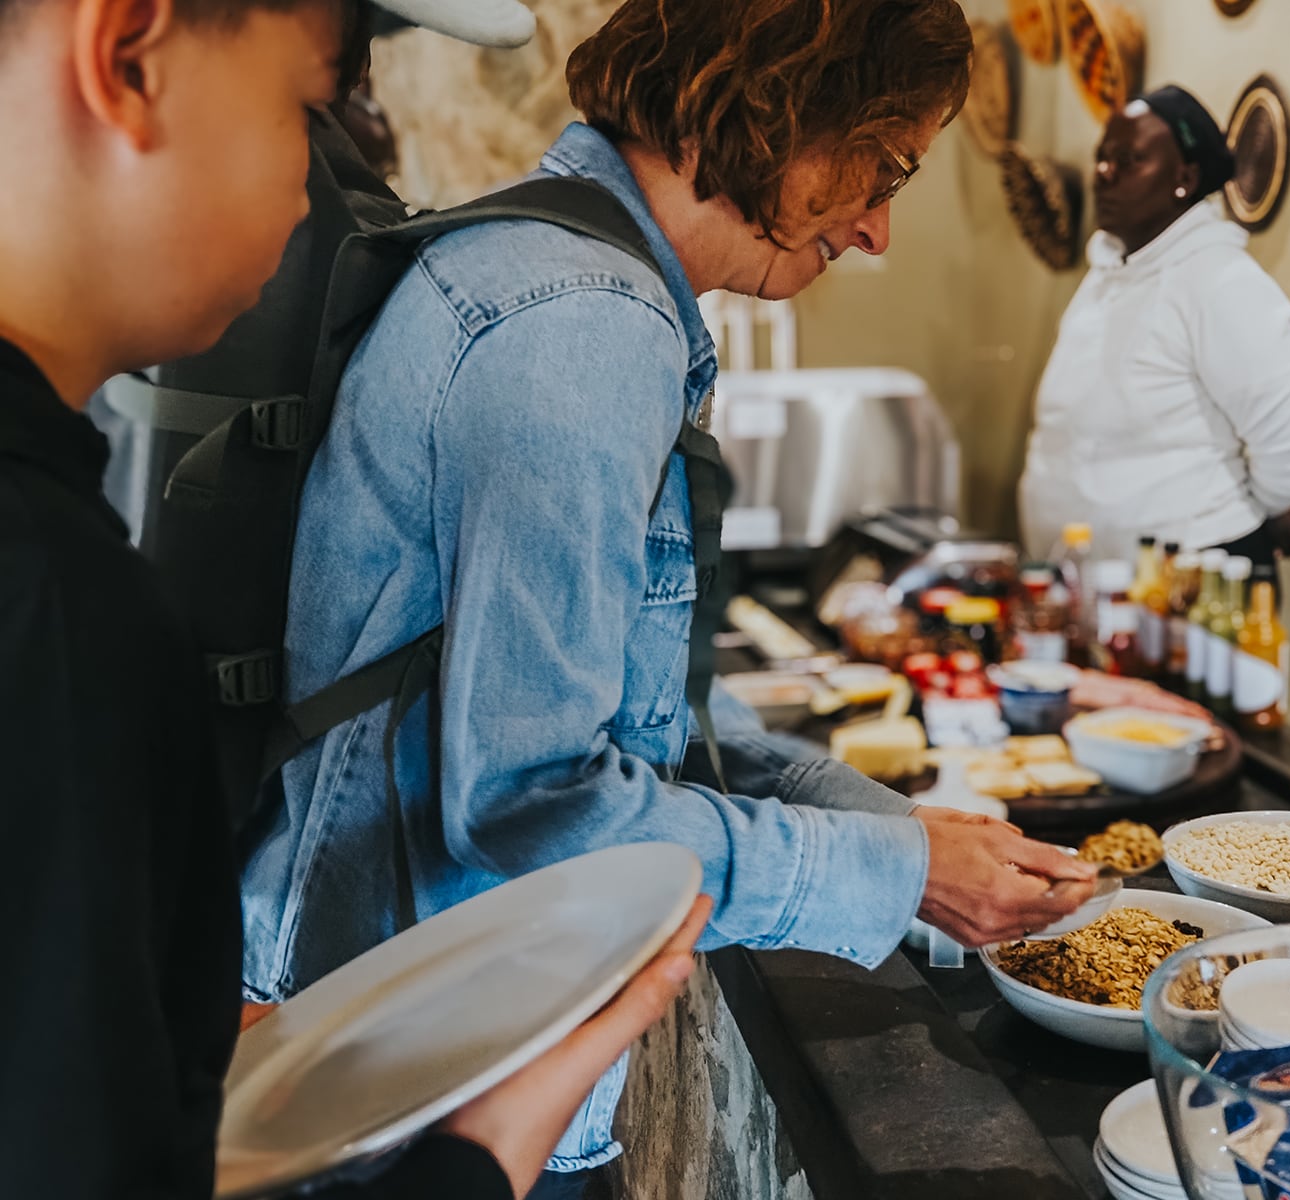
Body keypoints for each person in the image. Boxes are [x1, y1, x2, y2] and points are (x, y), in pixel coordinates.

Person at [240, 0, 1099, 1193]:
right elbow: (535, 812)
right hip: (422, 1083)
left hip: (412, 1043)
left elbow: (614, 696)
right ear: (784, 102)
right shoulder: (580, 327)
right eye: (886, 165)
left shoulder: (551, 266)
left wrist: (892, 831)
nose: (880, 230)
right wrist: (895, 878)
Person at [0, 1, 708, 1196]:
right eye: (311, 106)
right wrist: (485, 1150)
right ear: (126, 51)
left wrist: (166, 1047)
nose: (319, 186)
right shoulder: (52, 608)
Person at [1018, 85, 1290, 592]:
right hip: (1087, 585)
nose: (1104, 173)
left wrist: (1251, 512)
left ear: (1185, 178)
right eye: (1102, 157)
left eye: (1128, 159)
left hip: (1187, 587)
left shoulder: (1223, 283)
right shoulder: (1109, 270)